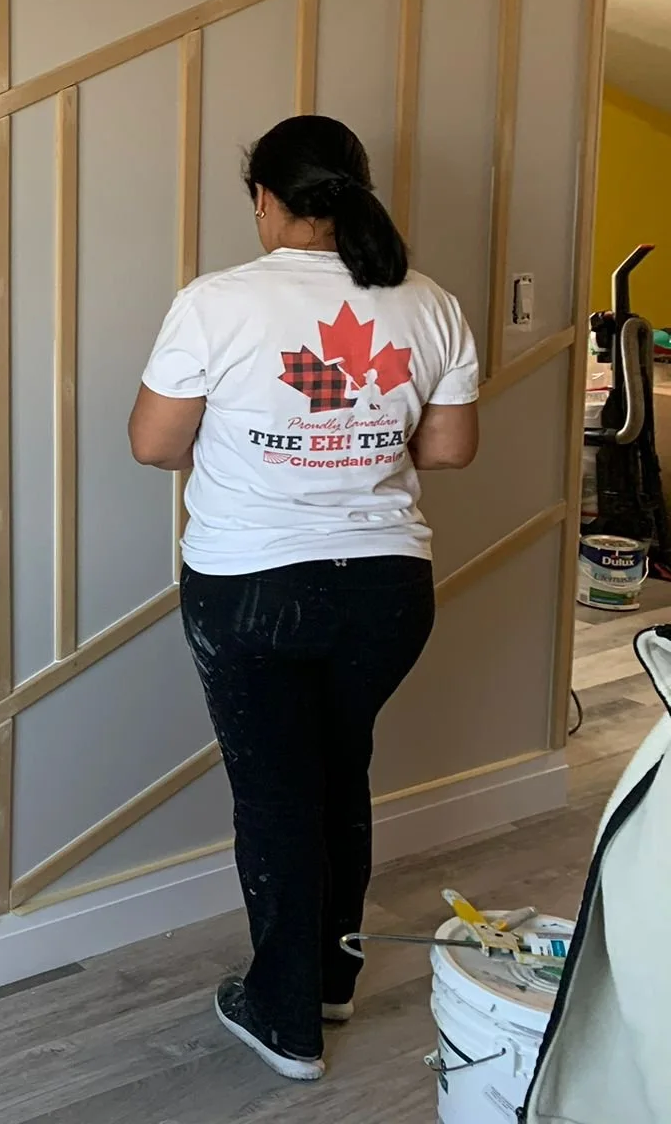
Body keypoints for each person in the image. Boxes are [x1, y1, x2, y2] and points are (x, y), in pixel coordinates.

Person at [128, 114, 481, 1081]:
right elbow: (448, 449)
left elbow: (155, 443)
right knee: (337, 770)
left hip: (253, 589)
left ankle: (284, 1018)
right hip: (387, 593)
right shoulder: (432, 303)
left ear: (267, 201)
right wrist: (359, 448)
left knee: (278, 794)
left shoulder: (216, 303)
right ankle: (330, 978)